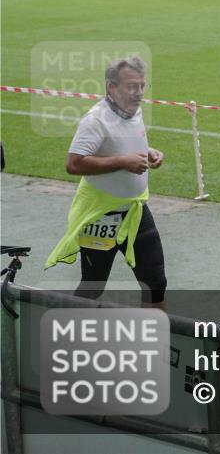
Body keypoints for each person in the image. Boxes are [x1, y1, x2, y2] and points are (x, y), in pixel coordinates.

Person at [44, 57, 167, 308]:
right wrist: (123, 161)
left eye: (143, 85)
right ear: (111, 87)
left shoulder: (133, 109)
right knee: (93, 286)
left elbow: (124, 141)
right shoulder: (95, 120)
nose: (139, 93)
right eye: (132, 86)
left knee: (156, 283)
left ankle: (156, 341)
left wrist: (149, 151)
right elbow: (74, 164)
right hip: (100, 217)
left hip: (135, 211)